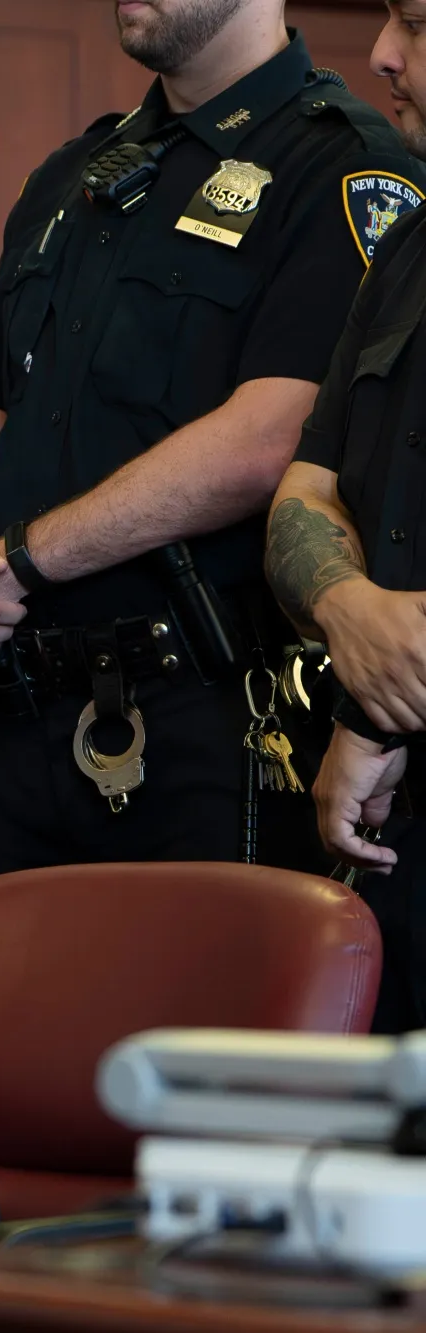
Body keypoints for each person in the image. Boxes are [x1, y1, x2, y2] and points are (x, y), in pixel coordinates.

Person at [0, 0, 426, 875]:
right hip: (26, 705)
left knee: (206, 1007)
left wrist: (18, 561)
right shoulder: (70, 177)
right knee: (33, 1010)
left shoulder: (345, 163)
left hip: (210, 715)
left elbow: (270, 440)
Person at [264, 5, 426, 1032]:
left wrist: (378, 706)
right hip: (397, 835)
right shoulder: (407, 244)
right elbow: (302, 491)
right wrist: (345, 606)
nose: (377, 54)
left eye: (412, 22)